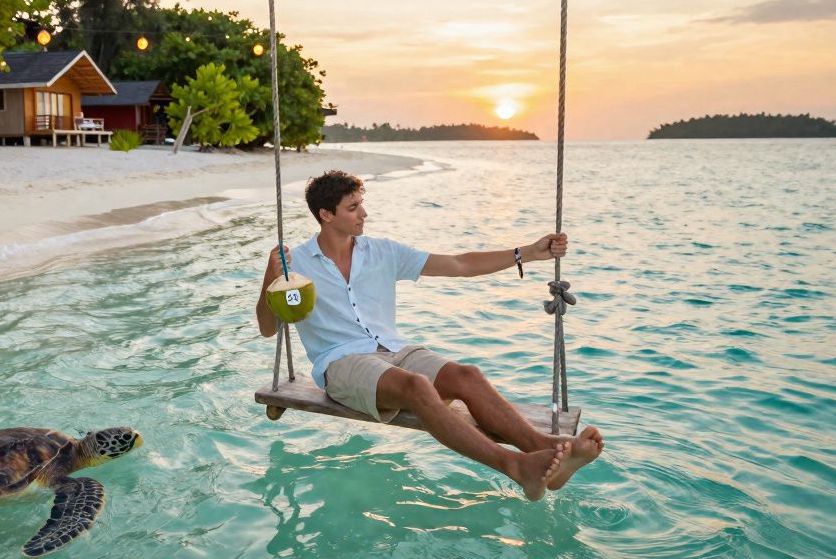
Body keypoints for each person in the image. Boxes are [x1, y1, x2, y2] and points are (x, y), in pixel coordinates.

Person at [255, 170, 603, 500]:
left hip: (392, 349)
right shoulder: (295, 262)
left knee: (467, 376)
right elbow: (268, 328)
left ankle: (544, 447)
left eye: (361, 203)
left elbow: (459, 265)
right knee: (417, 386)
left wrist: (527, 252)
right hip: (341, 362)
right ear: (326, 214)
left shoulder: (382, 252)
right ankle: (514, 466)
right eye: (354, 207)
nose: (364, 213)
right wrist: (270, 280)